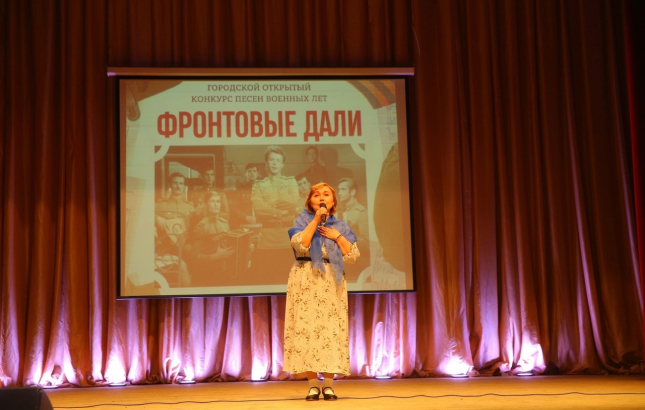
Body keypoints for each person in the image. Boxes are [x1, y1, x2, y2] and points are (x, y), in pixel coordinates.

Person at [284, 182, 360, 401]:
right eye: (316, 195)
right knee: (306, 329)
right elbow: (302, 244)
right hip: (306, 278)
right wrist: (316, 220)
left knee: (331, 331)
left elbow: (353, 256)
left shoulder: (341, 226)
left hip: (331, 280)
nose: (322, 198)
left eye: (326, 195)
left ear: (333, 202)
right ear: (310, 201)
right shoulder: (301, 222)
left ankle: (328, 385)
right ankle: (312, 385)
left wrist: (337, 236)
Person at [251, 146, 299, 282]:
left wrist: (269, 203)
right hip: (267, 239)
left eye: (278, 160)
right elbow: (258, 208)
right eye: (271, 160)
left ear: (282, 164)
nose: (274, 163)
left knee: (288, 279)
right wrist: (280, 211)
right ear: (266, 163)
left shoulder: (290, 181)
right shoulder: (258, 185)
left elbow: (293, 201)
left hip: (286, 238)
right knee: (268, 278)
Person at [184, 191, 235, 286]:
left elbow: (229, 246)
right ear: (206, 205)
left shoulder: (224, 223)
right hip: (208, 275)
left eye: (218, 201)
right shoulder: (201, 227)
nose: (216, 205)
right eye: (212, 201)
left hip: (225, 272)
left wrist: (245, 247)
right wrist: (216, 256)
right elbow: (194, 258)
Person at [337, 178, 370, 281]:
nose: (339, 193)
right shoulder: (342, 211)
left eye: (343, 189)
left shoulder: (361, 212)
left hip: (357, 265)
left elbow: (367, 243)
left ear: (352, 192)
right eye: (339, 189)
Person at [230, 163, 259, 229]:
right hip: (245, 223)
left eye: (254, 171)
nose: (252, 173)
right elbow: (234, 208)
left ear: (257, 174)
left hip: (261, 223)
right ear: (246, 174)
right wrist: (245, 217)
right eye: (249, 171)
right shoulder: (240, 189)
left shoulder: (262, 188)